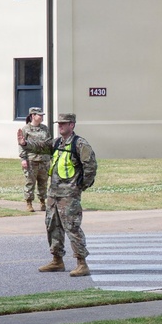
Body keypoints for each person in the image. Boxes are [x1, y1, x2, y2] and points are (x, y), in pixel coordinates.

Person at [38, 113, 97, 277]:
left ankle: (81, 263)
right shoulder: (57, 142)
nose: (60, 126)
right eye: (59, 123)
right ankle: (57, 260)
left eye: (64, 123)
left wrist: (80, 186)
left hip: (69, 195)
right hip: (54, 193)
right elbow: (40, 147)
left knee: (72, 227)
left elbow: (90, 166)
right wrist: (25, 143)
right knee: (52, 225)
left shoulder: (80, 144)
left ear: (72, 125)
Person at [18, 107, 51, 212]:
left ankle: (42, 202)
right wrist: (23, 158)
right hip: (31, 159)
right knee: (30, 182)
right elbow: (21, 145)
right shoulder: (26, 129)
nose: (41, 117)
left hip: (44, 160)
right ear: (32, 116)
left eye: (42, 115)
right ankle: (29, 203)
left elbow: (49, 143)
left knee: (43, 182)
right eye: (39, 115)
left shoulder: (45, 128)